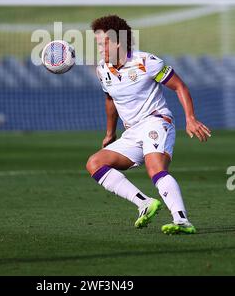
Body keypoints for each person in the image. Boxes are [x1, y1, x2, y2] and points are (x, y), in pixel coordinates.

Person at [86, 14, 211, 234]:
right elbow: (110, 100)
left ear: (119, 42)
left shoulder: (146, 62)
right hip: (132, 132)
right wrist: (109, 132)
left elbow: (180, 86)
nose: (100, 48)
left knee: (156, 169)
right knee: (95, 163)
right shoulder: (102, 69)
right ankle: (145, 202)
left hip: (156, 122)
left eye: (104, 42)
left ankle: (181, 220)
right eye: (98, 43)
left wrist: (190, 118)